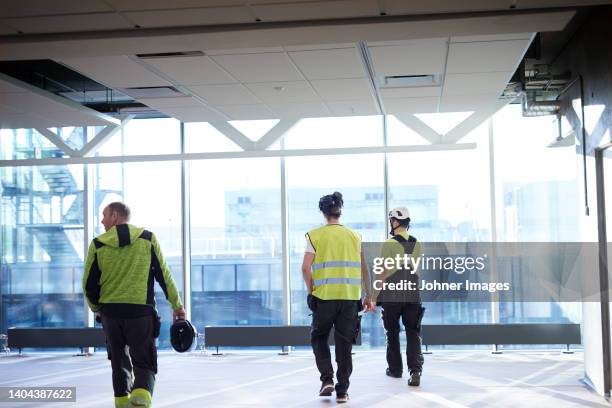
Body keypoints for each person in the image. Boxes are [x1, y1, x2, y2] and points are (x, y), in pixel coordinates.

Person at [83, 202, 185, 408]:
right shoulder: (147, 239)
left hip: (111, 314)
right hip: (141, 313)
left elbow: (88, 284)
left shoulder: (98, 244)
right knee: (144, 361)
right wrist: (177, 305)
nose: (102, 221)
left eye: (104, 216)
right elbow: (163, 275)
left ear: (114, 216)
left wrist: (97, 308)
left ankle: (121, 403)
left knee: (119, 362)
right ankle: (140, 402)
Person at [302, 191, 375, 403]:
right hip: (350, 299)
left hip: (324, 298)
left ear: (323, 212)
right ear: (340, 212)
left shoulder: (315, 235)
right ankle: (342, 391)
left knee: (318, 337)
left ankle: (327, 380)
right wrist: (369, 296)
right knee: (345, 344)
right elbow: (364, 269)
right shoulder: (355, 236)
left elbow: (306, 268)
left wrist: (311, 291)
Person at [372, 206, 425, 386]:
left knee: (392, 332)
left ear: (395, 222)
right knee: (412, 332)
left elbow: (382, 273)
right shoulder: (417, 243)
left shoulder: (389, 244)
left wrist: (372, 297)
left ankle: (395, 370)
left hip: (392, 294)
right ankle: (415, 371)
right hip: (412, 293)